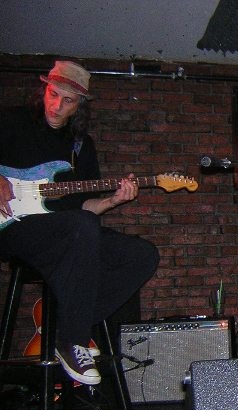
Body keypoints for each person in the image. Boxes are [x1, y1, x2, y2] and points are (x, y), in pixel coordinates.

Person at [0, 61, 159, 384]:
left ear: (80, 105)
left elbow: (85, 206)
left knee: (142, 255)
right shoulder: (10, 121)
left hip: (67, 232)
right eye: (53, 94)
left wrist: (114, 200)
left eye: (68, 100)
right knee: (82, 225)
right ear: (44, 89)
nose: (57, 105)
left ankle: (64, 327)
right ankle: (73, 340)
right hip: (14, 228)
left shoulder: (80, 146)